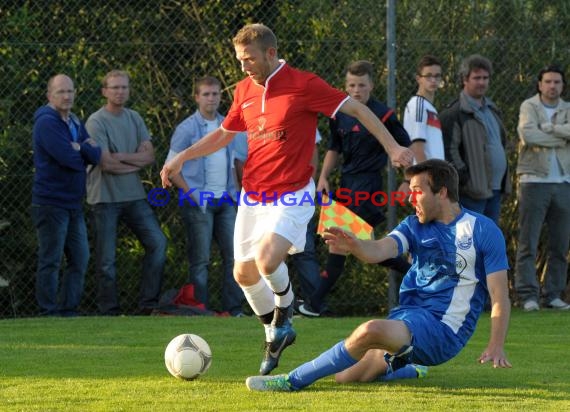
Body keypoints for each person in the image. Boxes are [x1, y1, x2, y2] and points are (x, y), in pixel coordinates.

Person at [161, 24, 414, 376]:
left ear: (269, 53)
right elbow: (224, 134)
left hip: (292, 194)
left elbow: (356, 110)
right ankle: (274, 335)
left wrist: (393, 147)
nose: (243, 66)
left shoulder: (304, 84)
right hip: (254, 195)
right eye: (239, 59)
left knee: (267, 259)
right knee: (243, 272)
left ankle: (286, 312)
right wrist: (182, 157)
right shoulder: (244, 90)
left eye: (248, 59)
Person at [245, 159, 512, 392]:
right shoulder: (412, 225)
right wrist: (355, 246)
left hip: (444, 329)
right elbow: (380, 250)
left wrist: (496, 345)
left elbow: (499, 296)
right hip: (406, 316)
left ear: (441, 193)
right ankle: (411, 368)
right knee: (346, 377)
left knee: (370, 329)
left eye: (417, 191)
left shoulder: (482, 230)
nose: (409, 198)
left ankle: (291, 380)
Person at [297, 60, 412, 317]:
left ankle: (314, 303)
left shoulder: (383, 115)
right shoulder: (339, 114)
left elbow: (405, 147)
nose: (356, 90)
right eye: (351, 85)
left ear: (371, 85)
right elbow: (334, 149)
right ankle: (314, 304)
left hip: (368, 188)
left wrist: (406, 180)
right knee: (345, 246)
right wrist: (323, 177)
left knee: (346, 245)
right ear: (345, 86)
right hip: (346, 186)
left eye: (361, 85)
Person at [86, 70, 167, 316]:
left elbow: (150, 157)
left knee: (158, 243)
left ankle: (148, 306)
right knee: (107, 260)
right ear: (104, 92)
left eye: (124, 87)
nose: (120, 92)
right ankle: (109, 311)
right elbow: (105, 164)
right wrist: (134, 161)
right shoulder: (95, 121)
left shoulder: (134, 118)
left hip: (134, 196)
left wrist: (118, 156)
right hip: (104, 198)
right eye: (114, 88)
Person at [165, 76, 245, 316]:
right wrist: (192, 195)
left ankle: (234, 309)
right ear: (197, 97)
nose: (211, 98)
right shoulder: (187, 128)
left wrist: (238, 193)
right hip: (199, 203)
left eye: (215, 94)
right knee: (201, 261)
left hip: (227, 201)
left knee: (234, 257)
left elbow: (237, 162)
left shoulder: (229, 126)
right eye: (206, 94)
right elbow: (170, 167)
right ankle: (200, 310)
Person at [32, 74, 103, 316]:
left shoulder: (73, 120)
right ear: (49, 95)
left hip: (73, 203)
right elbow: (68, 158)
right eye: (61, 91)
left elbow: (96, 155)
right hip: (51, 203)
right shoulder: (47, 122)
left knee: (80, 258)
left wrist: (81, 148)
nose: (67, 96)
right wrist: (83, 149)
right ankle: (48, 311)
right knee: (51, 260)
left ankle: (68, 310)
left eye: (70, 91)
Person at [514, 65, 570, 312]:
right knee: (529, 241)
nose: (552, 86)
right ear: (539, 84)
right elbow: (529, 136)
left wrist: (551, 128)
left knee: (560, 243)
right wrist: (562, 138)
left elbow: (541, 134)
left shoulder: (567, 109)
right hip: (533, 180)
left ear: (562, 85)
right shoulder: (529, 106)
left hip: (563, 182)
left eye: (557, 82)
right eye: (548, 81)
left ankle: (553, 294)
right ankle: (528, 296)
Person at [440, 54, 510, 224]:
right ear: (465, 79)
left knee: (488, 241)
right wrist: (465, 180)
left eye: (485, 78)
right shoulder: (455, 113)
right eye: (477, 78)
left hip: (495, 189)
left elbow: (501, 143)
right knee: (469, 240)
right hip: (471, 193)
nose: (482, 82)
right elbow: (449, 150)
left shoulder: (492, 109)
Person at [404, 55, 445, 162]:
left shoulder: (429, 107)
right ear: (418, 79)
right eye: (428, 76)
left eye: (437, 76)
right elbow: (417, 147)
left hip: (436, 172)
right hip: (426, 174)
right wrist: (425, 174)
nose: (433, 80)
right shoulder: (418, 104)